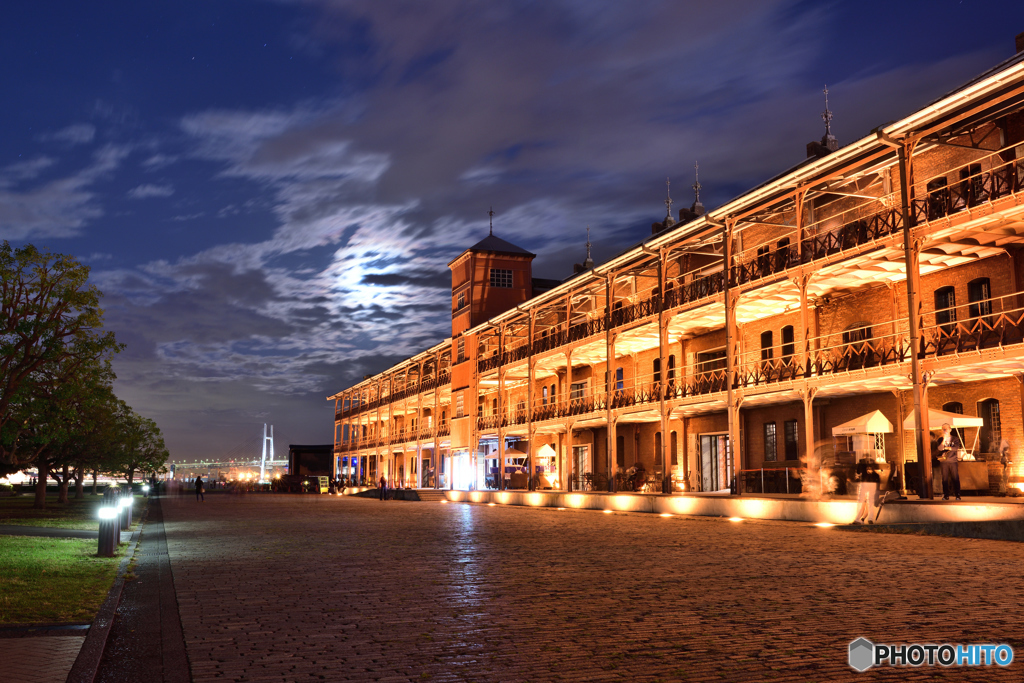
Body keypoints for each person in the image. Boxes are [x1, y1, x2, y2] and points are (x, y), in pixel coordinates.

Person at [853, 458, 881, 524]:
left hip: (865, 482)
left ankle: (858, 519)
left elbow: (858, 472)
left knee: (862, 501)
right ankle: (868, 519)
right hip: (872, 482)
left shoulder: (863, 464)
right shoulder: (871, 466)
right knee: (870, 501)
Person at [938, 423, 962, 501]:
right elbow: (940, 449)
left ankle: (957, 494)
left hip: (953, 460)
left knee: (955, 478)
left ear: (950, 429)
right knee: (944, 479)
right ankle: (946, 495)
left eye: (946, 428)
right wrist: (944, 440)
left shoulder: (954, 439)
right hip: (944, 461)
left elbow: (956, 448)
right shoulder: (940, 439)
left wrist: (948, 447)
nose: (945, 430)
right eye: (943, 429)